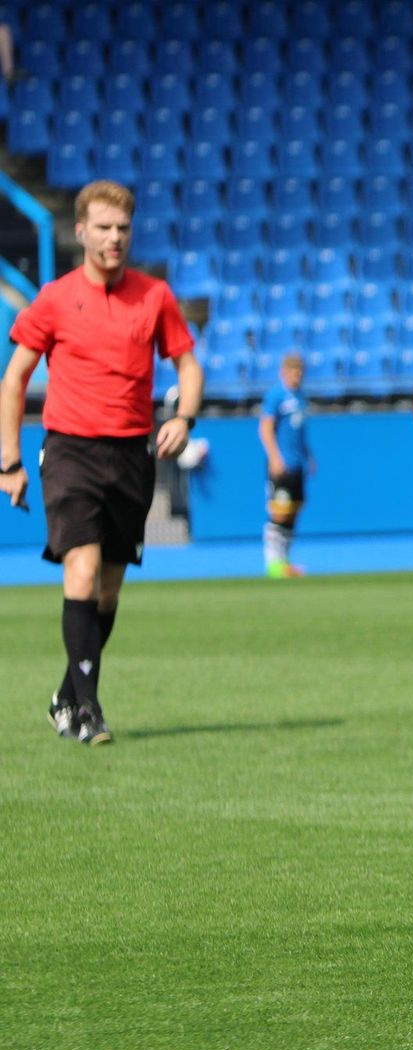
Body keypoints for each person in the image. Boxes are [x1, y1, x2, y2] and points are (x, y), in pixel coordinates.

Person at [0, 179, 203, 745]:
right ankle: (88, 711)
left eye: (123, 229)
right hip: (69, 450)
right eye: (104, 229)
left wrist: (184, 418)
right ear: (82, 230)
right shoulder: (56, 298)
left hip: (132, 453)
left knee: (108, 588)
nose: (114, 239)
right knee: (82, 571)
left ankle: (67, 695)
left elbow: (188, 366)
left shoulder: (154, 296)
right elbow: (14, 377)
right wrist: (9, 461)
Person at [258, 352, 312, 578]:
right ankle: (273, 564)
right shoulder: (276, 396)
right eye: (292, 370)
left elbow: (298, 432)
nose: (296, 375)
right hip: (282, 464)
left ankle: (285, 562)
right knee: (278, 512)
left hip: (297, 463)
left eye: (299, 371)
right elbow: (266, 428)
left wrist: (308, 456)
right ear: (283, 372)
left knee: (292, 511)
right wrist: (275, 457)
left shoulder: (300, 397)